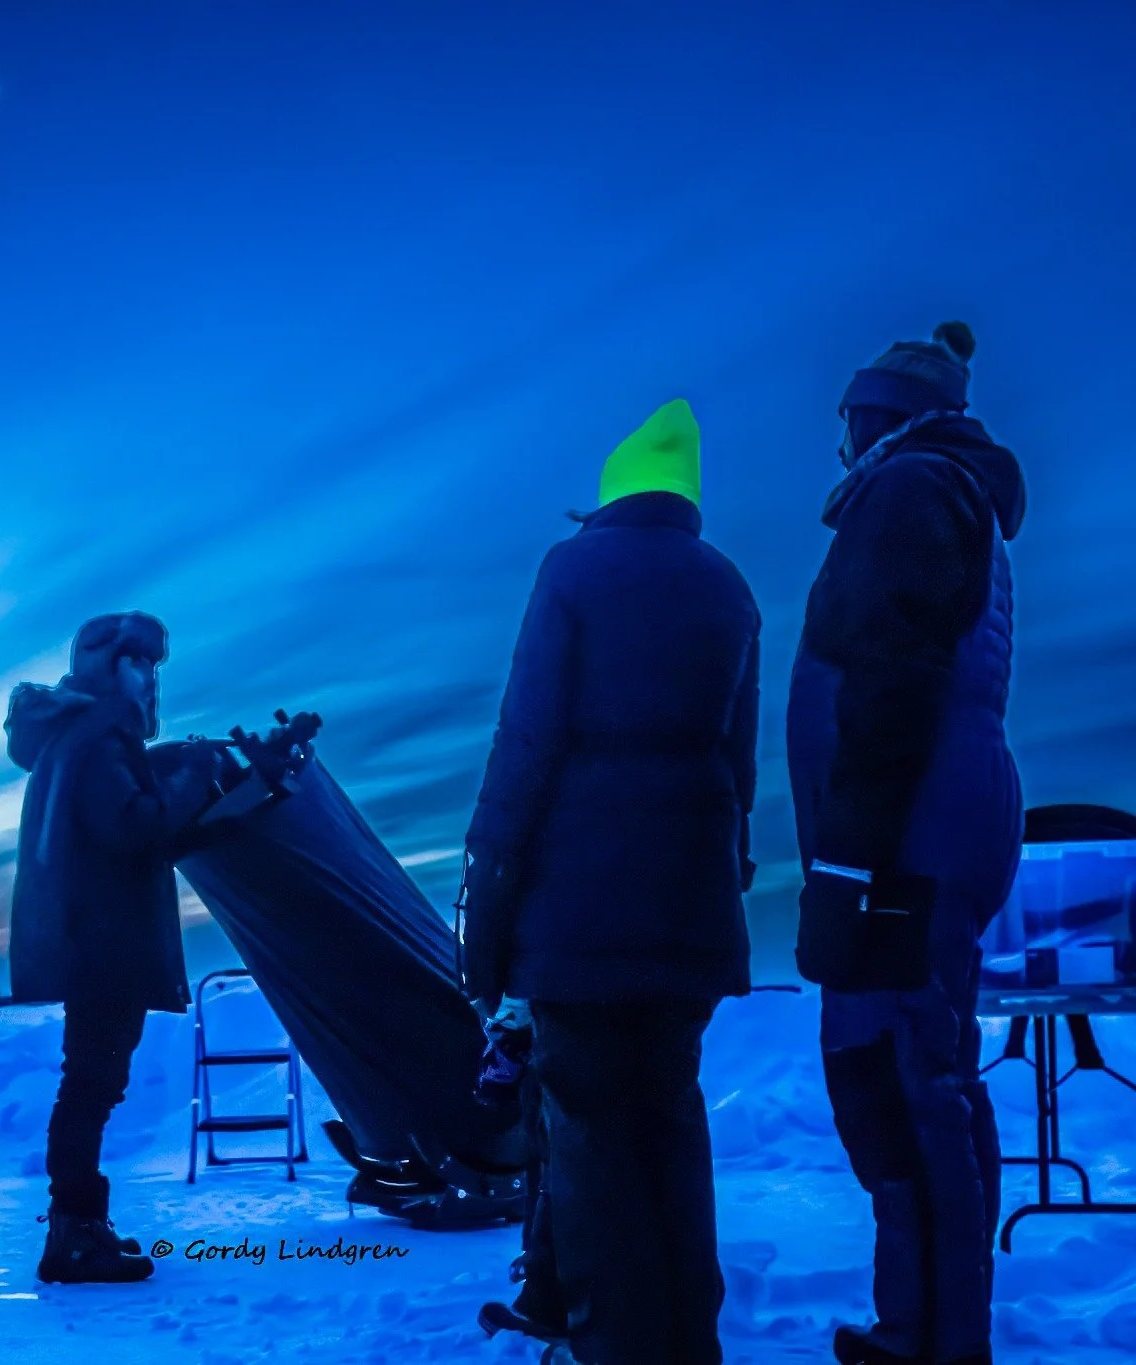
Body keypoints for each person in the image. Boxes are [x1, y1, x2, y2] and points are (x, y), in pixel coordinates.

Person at [460, 398, 761, 1365]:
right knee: (668, 1125)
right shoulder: (728, 586)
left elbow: (525, 739)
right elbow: (740, 764)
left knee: (591, 1139)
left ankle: (616, 1344)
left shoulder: (574, 570)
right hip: (689, 908)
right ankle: (685, 1341)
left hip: (578, 909)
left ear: (610, 495)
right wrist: (723, 875)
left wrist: (488, 897)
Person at [787, 323, 1026, 1365]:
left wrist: (848, 860)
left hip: (905, 834)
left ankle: (932, 1341)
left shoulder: (911, 488)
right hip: (932, 821)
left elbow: (891, 681)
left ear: (878, 415)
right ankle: (926, 1326)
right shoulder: (944, 492)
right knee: (923, 1074)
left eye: (848, 419)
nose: (840, 442)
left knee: (894, 1077)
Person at [6, 612, 223, 1284]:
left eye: (154, 665)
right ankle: (74, 1234)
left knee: (91, 1082)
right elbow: (129, 828)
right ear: (108, 667)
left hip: (90, 940)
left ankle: (80, 1227)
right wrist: (194, 775)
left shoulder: (78, 734)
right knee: (91, 1084)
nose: (150, 678)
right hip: (102, 943)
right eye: (139, 663)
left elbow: (131, 830)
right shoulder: (99, 735)